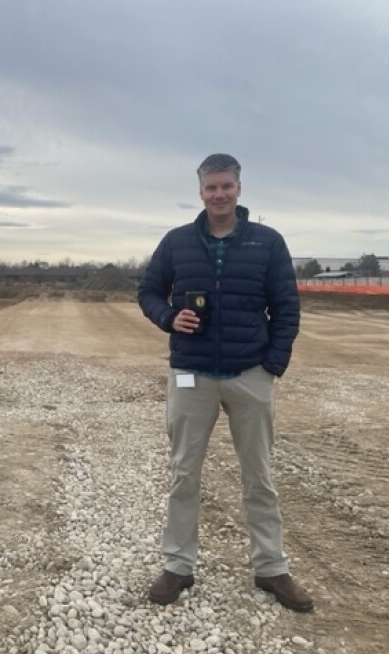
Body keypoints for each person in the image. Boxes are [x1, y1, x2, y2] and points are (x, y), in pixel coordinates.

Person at [137, 153, 313, 612]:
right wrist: (169, 317)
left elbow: (286, 307)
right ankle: (178, 564)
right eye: (211, 187)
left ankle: (271, 568)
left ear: (239, 189)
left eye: (226, 186)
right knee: (183, 474)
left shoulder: (267, 243)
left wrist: (273, 363)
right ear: (200, 192)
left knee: (260, 476)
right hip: (191, 373)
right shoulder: (177, 243)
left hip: (250, 374)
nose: (219, 194)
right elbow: (148, 291)